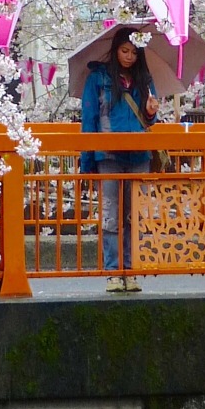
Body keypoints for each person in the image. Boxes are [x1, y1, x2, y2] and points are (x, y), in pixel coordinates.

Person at [80, 31, 159, 286]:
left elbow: (149, 120)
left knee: (135, 215)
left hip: (139, 154)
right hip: (109, 154)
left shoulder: (145, 80)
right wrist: (87, 162)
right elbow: (89, 121)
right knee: (112, 215)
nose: (129, 56)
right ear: (115, 50)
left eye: (135, 52)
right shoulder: (98, 80)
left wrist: (150, 113)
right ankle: (114, 271)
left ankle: (131, 269)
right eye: (125, 51)